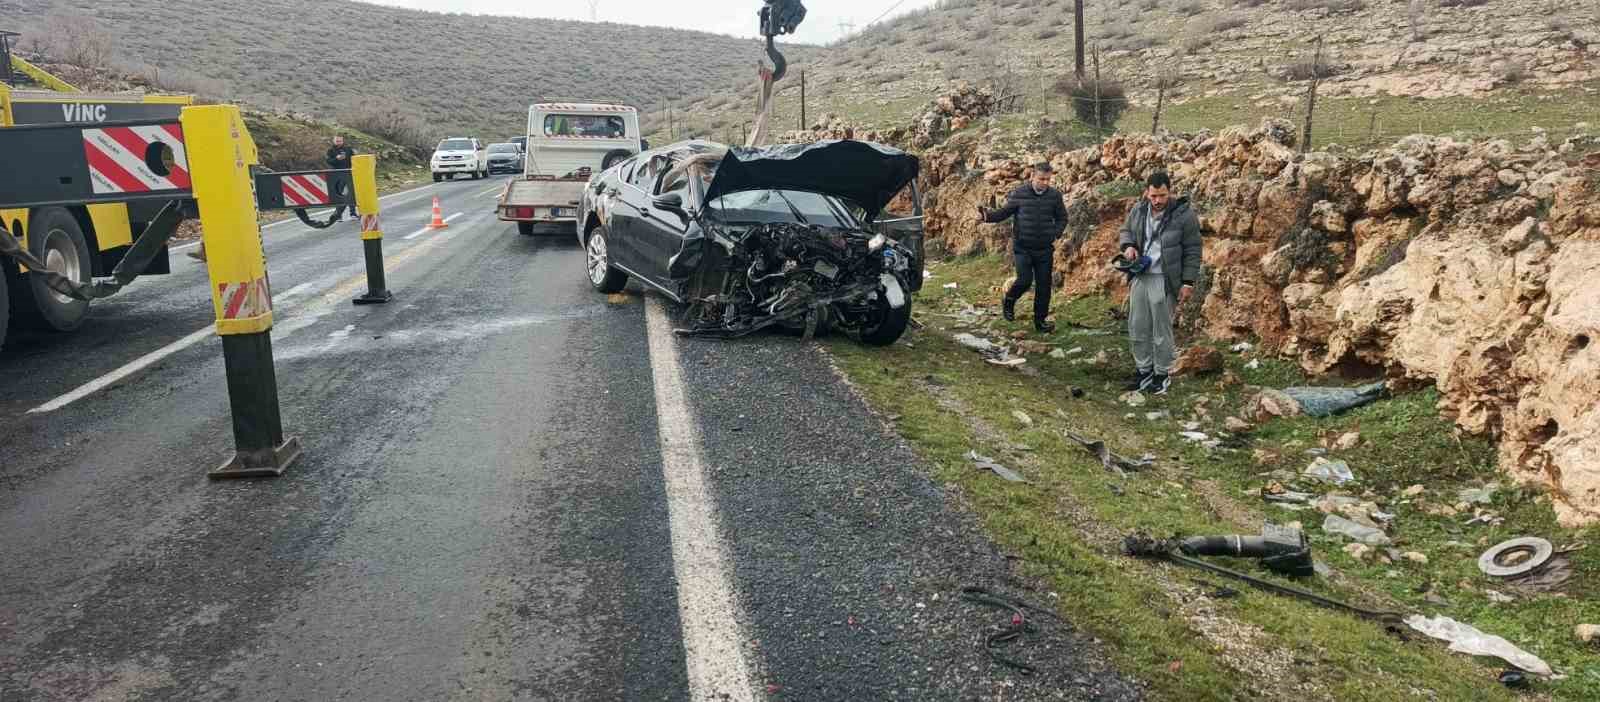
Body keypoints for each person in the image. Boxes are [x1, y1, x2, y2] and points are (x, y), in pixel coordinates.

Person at [1117, 171, 1202, 395]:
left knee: (1161, 329)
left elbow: (1194, 250)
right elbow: (1125, 231)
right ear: (1147, 193)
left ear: (1169, 192)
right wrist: (1128, 247)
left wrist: (1188, 282)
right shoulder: (1138, 209)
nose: (1157, 201)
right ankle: (1143, 371)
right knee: (1137, 325)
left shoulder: (1184, 215)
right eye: (1153, 196)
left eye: (1162, 195)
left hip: (1165, 279)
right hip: (1140, 276)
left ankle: (1162, 374)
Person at [976, 163, 1068, 334]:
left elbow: (1063, 218)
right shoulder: (1019, 194)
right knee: (1024, 280)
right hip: (1022, 248)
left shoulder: (1055, 196)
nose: (1045, 183)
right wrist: (986, 216)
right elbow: (1003, 213)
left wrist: (1055, 234)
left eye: (1048, 179)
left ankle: (1040, 322)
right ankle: (1009, 300)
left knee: (1044, 286)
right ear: (1032, 176)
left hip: (1044, 249)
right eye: (1041, 179)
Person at [326, 135, 358, 222]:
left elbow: (354, 160)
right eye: (337, 141)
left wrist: (355, 155)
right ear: (334, 141)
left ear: (343, 141)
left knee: (351, 193)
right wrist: (336, 159)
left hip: (348, 173)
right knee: (339, 195)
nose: (338, 142)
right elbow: (329, 162)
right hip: (337, 175)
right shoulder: (330, 151)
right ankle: (339, 215)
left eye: (340, 141)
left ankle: (353, 213)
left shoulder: (348, 149)